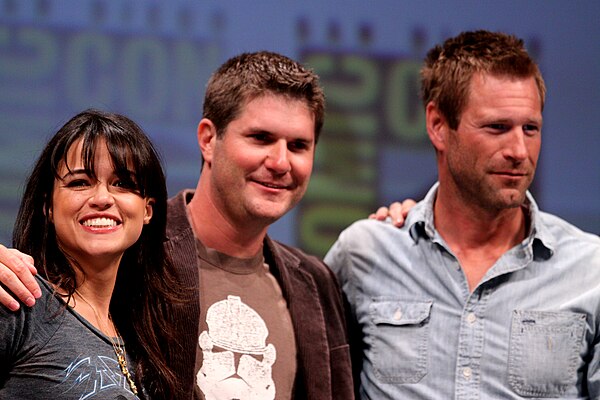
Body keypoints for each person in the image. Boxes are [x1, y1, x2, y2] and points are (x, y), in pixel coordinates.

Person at [0, 51, 355, 399]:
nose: (280, 161)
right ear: (207, 139)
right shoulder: (128, 249)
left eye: (298, 145)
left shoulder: (317, 283)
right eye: (260, 138)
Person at [325, 30, 600, 399]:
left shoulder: (590, 269)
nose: (519, 150)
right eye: (497, 128)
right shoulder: (365, 253)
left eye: (530, 128)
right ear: (438, 125)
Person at [0, 109, 183, 399]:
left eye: (122, 184)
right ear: (48, 207)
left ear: (147, 210)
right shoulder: (18, 300)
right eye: (79, 183)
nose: (101, 199)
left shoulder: (143, 338)